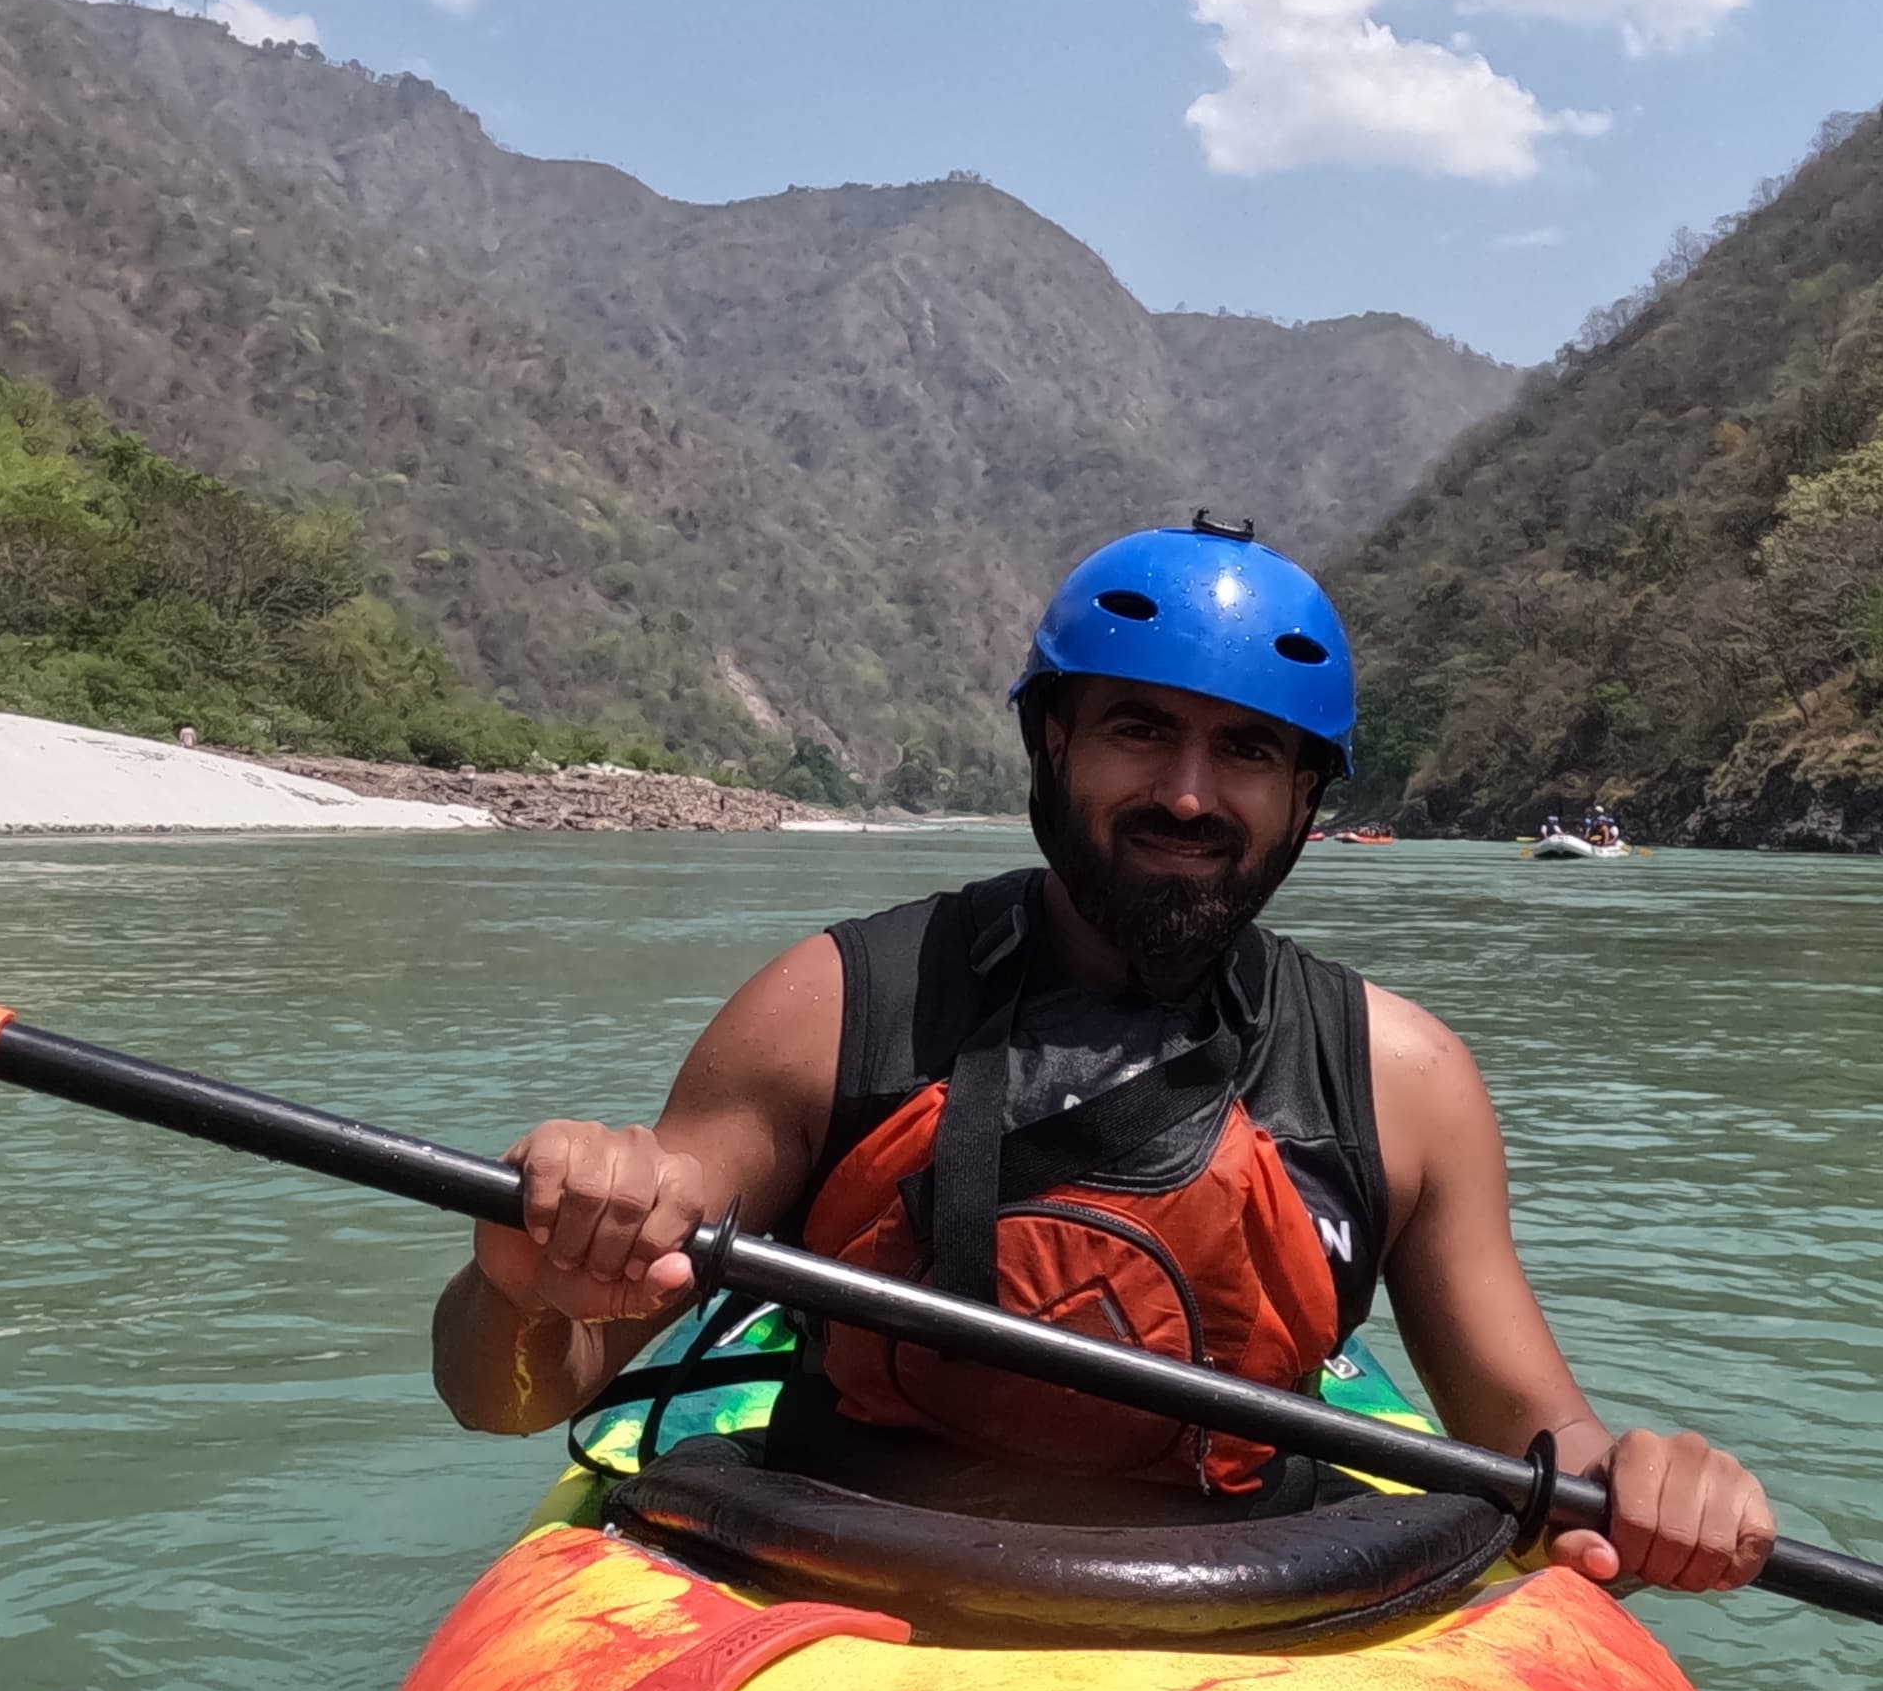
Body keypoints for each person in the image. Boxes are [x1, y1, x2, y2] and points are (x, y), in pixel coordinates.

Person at [433, 514, 1773, 1595]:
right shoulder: (833, 1009)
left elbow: (1539, 1445)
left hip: (1259, 1604)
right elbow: (511, 1395)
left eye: (1246, 751)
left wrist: (1647, 1490)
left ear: (1306, 798)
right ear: (1053, 741)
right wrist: (521, 1285)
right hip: (836, 1593)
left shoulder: (1405, 1082)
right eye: (1141, 728)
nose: (1188, 793)